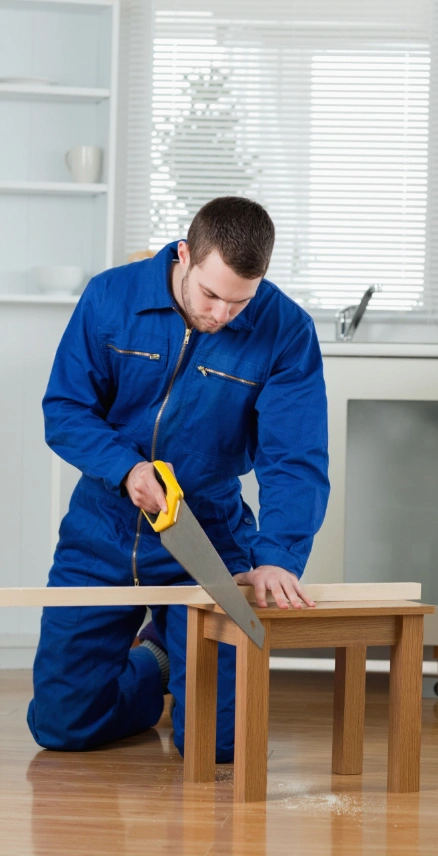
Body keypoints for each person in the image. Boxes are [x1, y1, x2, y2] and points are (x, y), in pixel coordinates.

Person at [27, 196, 329, 763]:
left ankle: (180, 650)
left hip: (209, 533)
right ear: (185, 255)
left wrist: (278, 556)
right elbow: (65, 410)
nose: (220, 315)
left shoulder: (287, 330)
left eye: (240, 302)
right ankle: (158, 659)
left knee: (219, 747)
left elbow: (295, 457)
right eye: (210, 294)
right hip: (103, 528)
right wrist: (127, 468)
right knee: (62, 726)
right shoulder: (111, 296)